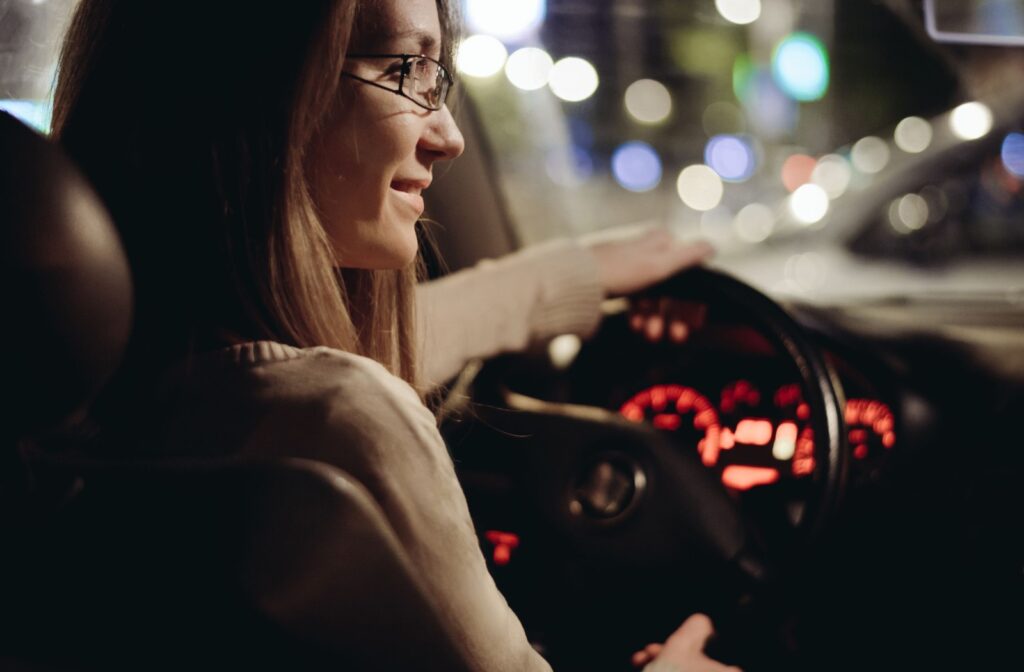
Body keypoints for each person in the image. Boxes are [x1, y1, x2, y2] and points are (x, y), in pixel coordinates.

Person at [51, 0, 734, 670]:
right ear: (262, 88)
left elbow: (314, 366)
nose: (449, 138)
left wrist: (574, 274)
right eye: (407, 69)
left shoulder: (71, 405)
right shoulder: (342, 419)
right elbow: (336, 398)